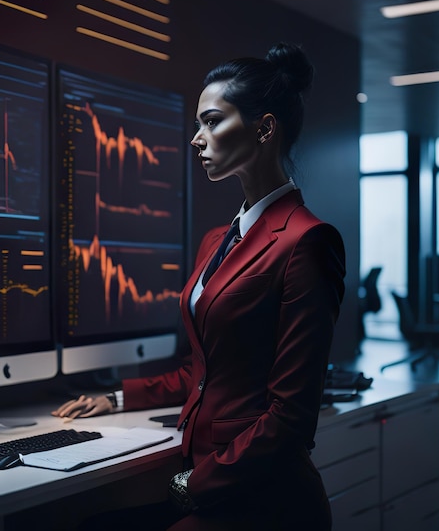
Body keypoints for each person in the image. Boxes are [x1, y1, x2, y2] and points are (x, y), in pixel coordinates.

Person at [53, 42, 346, 530]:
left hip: (263, 498)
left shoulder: (308, 241)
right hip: (210, 480)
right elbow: (204, 369)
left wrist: (194, 485)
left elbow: (291, 415)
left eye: (211, 121)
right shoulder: (218, 240)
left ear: (265, 127)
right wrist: (119, 398)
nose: (197, 138)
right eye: (197, 124)